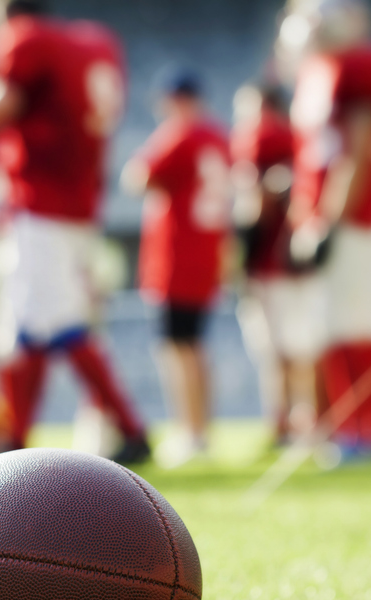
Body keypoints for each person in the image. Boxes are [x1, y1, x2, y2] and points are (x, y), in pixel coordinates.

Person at [0, 0, 149, 463]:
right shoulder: (94, 42)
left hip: (40, 203)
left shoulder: (26, 38)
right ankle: (13, 436)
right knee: (24, 323)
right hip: (78, 202)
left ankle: (128, 428)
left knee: (55, 323)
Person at [282, 0, 371, 456]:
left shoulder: (359, 66)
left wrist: (329, 220)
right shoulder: (318, 71)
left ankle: (368, 429)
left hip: (351, 219)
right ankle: (361, 428)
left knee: (353, 326)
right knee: (334, 328)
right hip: (328, 215)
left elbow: (359, 147)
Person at [121, 69, 230, 466]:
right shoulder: (218, 136)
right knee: (195, 346)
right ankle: (202, 429)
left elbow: (137, 177)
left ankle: (192, 430)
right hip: (206, 252)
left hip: (177, 255)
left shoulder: (181, 134)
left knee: (177, 348)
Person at [231, 82, 324, 446]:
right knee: (301, 347)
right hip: (301, 258)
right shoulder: (301, 136)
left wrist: (240, 254)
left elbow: (257, 204)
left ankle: (284, 423)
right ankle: (306, 420)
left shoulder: (263, 134)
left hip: (272, 260)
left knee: (276, 350)